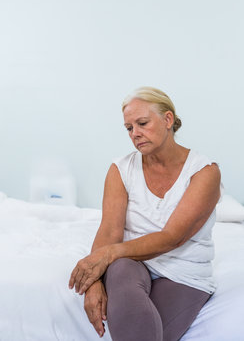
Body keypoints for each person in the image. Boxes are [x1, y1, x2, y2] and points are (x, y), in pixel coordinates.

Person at [69, 86, 221, 341]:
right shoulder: (121, 169)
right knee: (120, 270)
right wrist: (93, 282)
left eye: (142, 123)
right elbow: (109, 231)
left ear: (168, 120)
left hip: (183, 271)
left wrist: (107, 254)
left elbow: (172, 237)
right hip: (130, 263)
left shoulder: (204, 172)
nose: (135, 134)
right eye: (129, 128)